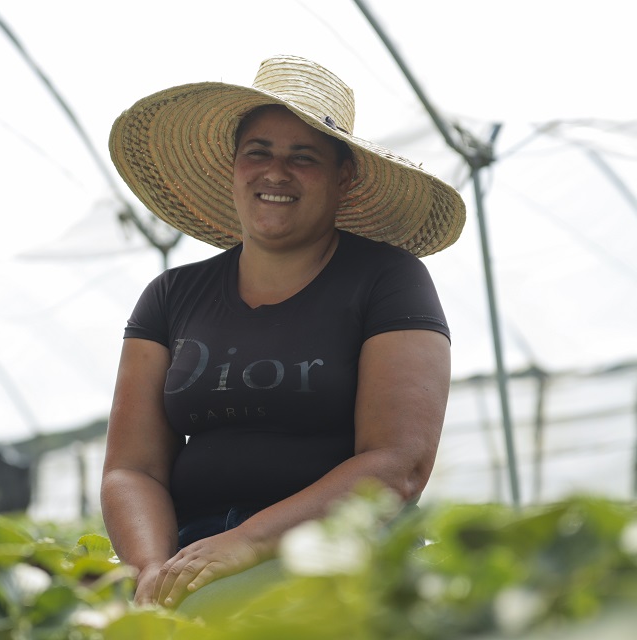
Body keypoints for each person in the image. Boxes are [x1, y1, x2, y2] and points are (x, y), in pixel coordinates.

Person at [100, 55, 466, 610]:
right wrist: (152, 571)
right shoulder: (171, 296)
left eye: (304, 156)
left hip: (334, 552)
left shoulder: (388, 280)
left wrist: (242, 544)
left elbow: (397, 464)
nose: (276, 172)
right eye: (259, 152)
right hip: (191, 553)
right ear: (233, 167)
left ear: (343, 176)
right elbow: (132, 468)